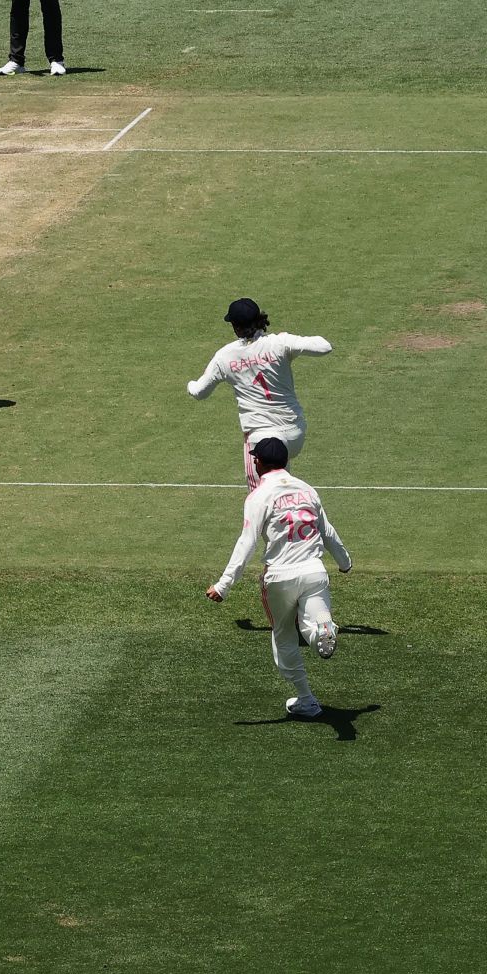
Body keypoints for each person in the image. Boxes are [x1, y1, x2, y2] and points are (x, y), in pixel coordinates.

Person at [206, 437, 353, 719]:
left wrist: (223, 586)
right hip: (314, 570)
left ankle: (307, 700)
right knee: (314, 623)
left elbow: (246, 543)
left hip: (279, 577)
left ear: (259, 462)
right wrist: (345, 562)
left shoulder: (259, 496)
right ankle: (324, 630)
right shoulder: (308, 490)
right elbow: (327, 531)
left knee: (283, 637)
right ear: (285, 462)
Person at [187, 298, 333, 489]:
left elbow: (199, 392)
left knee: (261, 498)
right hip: (295, 434)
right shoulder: (279, 343)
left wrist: (189, 384)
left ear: (235, 327)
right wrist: (287, 341)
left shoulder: (225, 356)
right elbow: (324, 346)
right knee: (281, 491)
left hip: (261, 441)